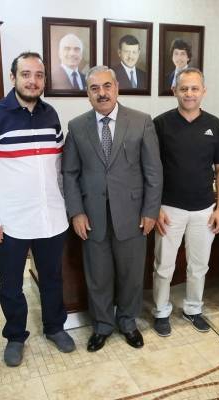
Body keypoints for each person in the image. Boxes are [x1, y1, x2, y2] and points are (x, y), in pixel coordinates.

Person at [0, 52, 75, 366]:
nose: (33, 81)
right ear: (13, 77)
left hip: (51, 216)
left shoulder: (50, 114)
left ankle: (55, 327)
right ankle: (15, 336)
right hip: (11, 219)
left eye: (39, 75)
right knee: (11, 284)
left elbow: (58, 167)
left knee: (52, 277)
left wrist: (66, 205)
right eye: (26, 74)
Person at [62, 65, 162, 352]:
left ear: (117, 88)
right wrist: (76, 212)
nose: (102, 93)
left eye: (107, 86)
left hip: (132, 215)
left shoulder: (141, 121)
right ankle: (103, 325)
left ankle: (128, 322)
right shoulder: (76, 127)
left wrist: (150, 211)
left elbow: (153, 172)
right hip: (92, 217)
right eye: (95, 88)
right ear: (88, 94)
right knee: (98, 275)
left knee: (131, 275)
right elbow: (70, 173)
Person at [152, 68, 219, 337]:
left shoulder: (214, 125)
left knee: (199, 266)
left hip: (204, 209)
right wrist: (155, 208)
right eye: (183, 88)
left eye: (195, 88)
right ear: (174, 91)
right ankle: (161, 311)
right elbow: (151, 169)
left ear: (203, 91)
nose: (189, 93)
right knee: (164, 266)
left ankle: (193, 309)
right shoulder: (160, 124)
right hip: (168, 208)